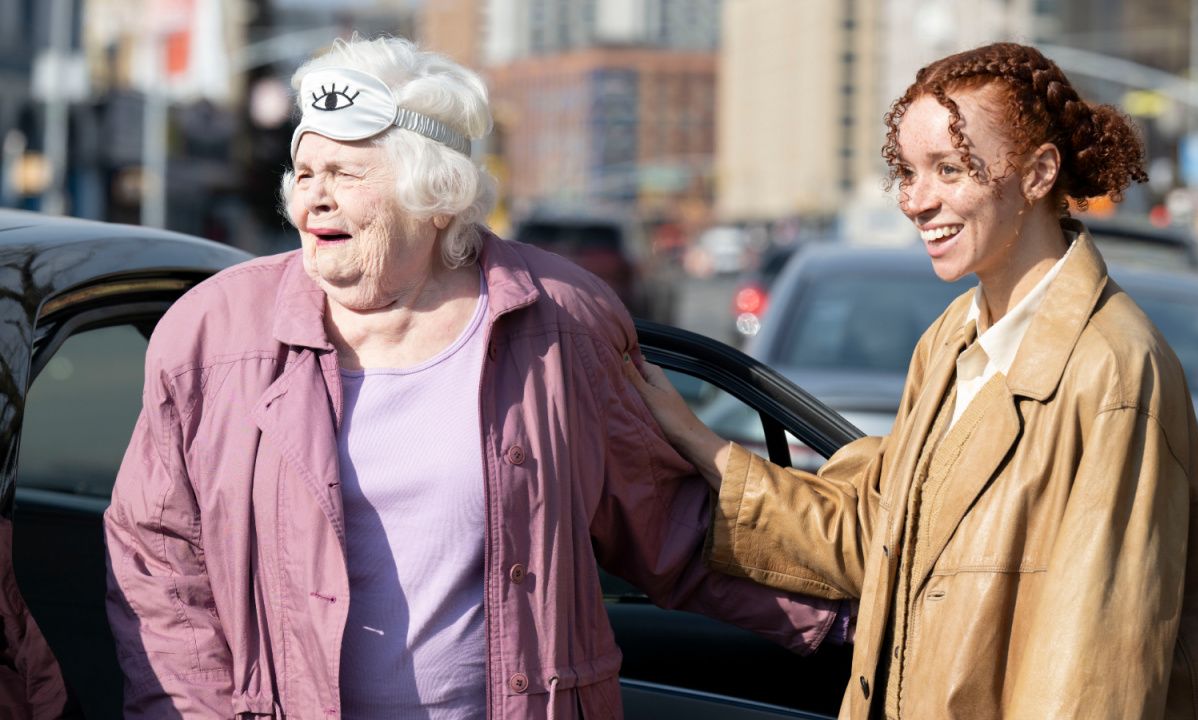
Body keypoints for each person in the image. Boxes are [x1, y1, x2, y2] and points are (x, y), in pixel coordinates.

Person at [103, 36, 840, 719]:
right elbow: (160, 565)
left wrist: (860, 619)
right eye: (304, 173)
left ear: (434, 197)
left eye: (345, 175)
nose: (312, 199)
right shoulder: (212, 334)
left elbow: (669, 527)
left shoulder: (562, 321)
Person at [626, 42, 1198, 719]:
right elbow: (875, 536)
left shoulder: (1111, 370)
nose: (915, 201)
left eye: (949, 168)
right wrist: (695, 439)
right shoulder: (952, 340)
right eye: (907, 172)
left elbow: (1097, 677)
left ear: (1038, 173)